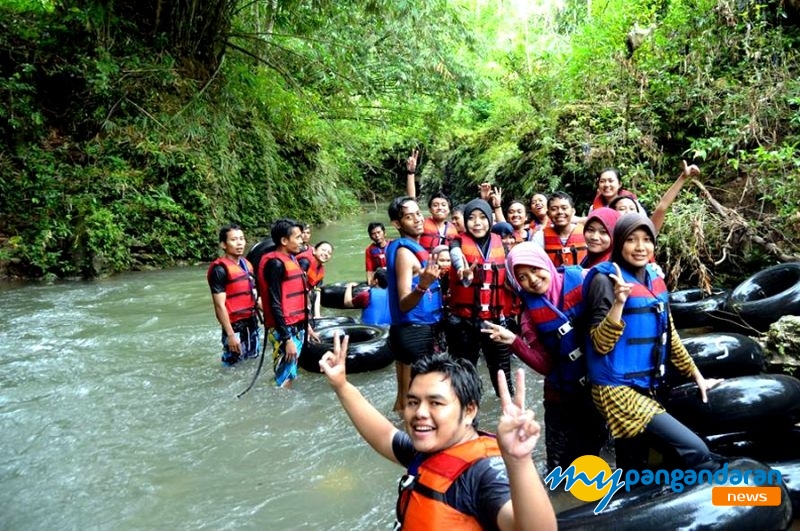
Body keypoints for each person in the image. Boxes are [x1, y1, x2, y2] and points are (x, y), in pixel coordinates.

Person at [319, 333, 557, 531]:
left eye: (436, 403)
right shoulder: (429, 450)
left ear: (469, 410)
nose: (420, 412)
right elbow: (384, 435)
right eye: (413, 402)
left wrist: (519, 460)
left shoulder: (486, 474)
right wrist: (341, 385)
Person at [582, 214, 722, 472]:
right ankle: (725, 503)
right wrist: (619, 303)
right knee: (696, 450)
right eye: (631, 240)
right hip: (615, 389)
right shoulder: (605, 281)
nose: (640, 247)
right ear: (619, 243)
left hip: (645, 384)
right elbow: (600, 345)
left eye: (647, 240)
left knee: (634, 465)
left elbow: (670, 336)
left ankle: (628, 504)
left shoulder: (654, 279)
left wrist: (697, 376)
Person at [482, 242, 607, 473]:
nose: (532, 279)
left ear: (545, 263)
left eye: (535, 269)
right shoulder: (530, 318)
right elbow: (546, 365)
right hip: (560, 398)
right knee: (558, 470)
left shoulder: (587, 282)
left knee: (591, 462)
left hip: (597, 392)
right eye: (522, 276)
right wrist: (514, 342)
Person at [447, 199, 514, 397]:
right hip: (464, 320)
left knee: (502, 372)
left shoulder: (501, 242)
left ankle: (508, 409)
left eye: (483, 218)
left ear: (490, 219)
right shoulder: (457, 243)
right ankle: (465, 415)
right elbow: (457, 258)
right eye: (472, 218)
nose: (477, 223)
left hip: (495, 320)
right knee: (463, 373)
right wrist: (463, 272)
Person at [385, 196, 443, 412]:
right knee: (416, 402)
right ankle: (409, 444)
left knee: (404, 400)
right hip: (414, 332)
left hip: (405, 332)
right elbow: (403, 303)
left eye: (418, 214)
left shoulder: (407, 247)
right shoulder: (405, 253)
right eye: (409, 217)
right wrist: (424, 284)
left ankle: (399, 440)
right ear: (397, 224)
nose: (418, 219)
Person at [257, 218, 319, 388]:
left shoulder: (292, 260)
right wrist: (287, 339)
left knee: (290, 374)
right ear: (284, 241)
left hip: (295, 326)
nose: (302, 240)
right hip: (283, 329)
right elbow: (275, 304)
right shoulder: (276, 264)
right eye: (298, 237)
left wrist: (307, 327)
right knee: (283, 378)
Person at [207, 224, 260, 366]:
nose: (239, 243)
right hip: (234, 325)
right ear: (223, 245)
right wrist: (230, 334)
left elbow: (254, 295)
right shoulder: (219, 270)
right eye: (234, 239)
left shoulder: (247, 265)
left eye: (242, 239)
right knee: (233, 365)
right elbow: (219, 305)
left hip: (252, 321)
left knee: (253, 360)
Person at [405, 149, 458, 251]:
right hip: (426, 263)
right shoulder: (421, 223)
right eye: (435, 205)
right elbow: (411, 202)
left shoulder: (454, 228)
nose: (439, 208)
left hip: (446, 264)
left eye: (443, 205)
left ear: (449, 209)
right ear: (430, 210)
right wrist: (411, 173)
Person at [533, 191, 588, 267]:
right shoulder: (539, 237)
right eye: (554, 209)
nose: (560, 212)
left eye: (564, 208)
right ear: (548, 214)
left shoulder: (586, 234)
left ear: (573, 211)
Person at [298, 241, 334, 318]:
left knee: (313, 293)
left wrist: (317, 315)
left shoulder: (320, 270)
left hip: (306, 297)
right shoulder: (304, 262)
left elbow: (317, 292)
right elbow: (297, 286)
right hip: (295, 298)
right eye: (323, 250)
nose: (326, 254)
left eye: (329, 253)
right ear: (314, 250)